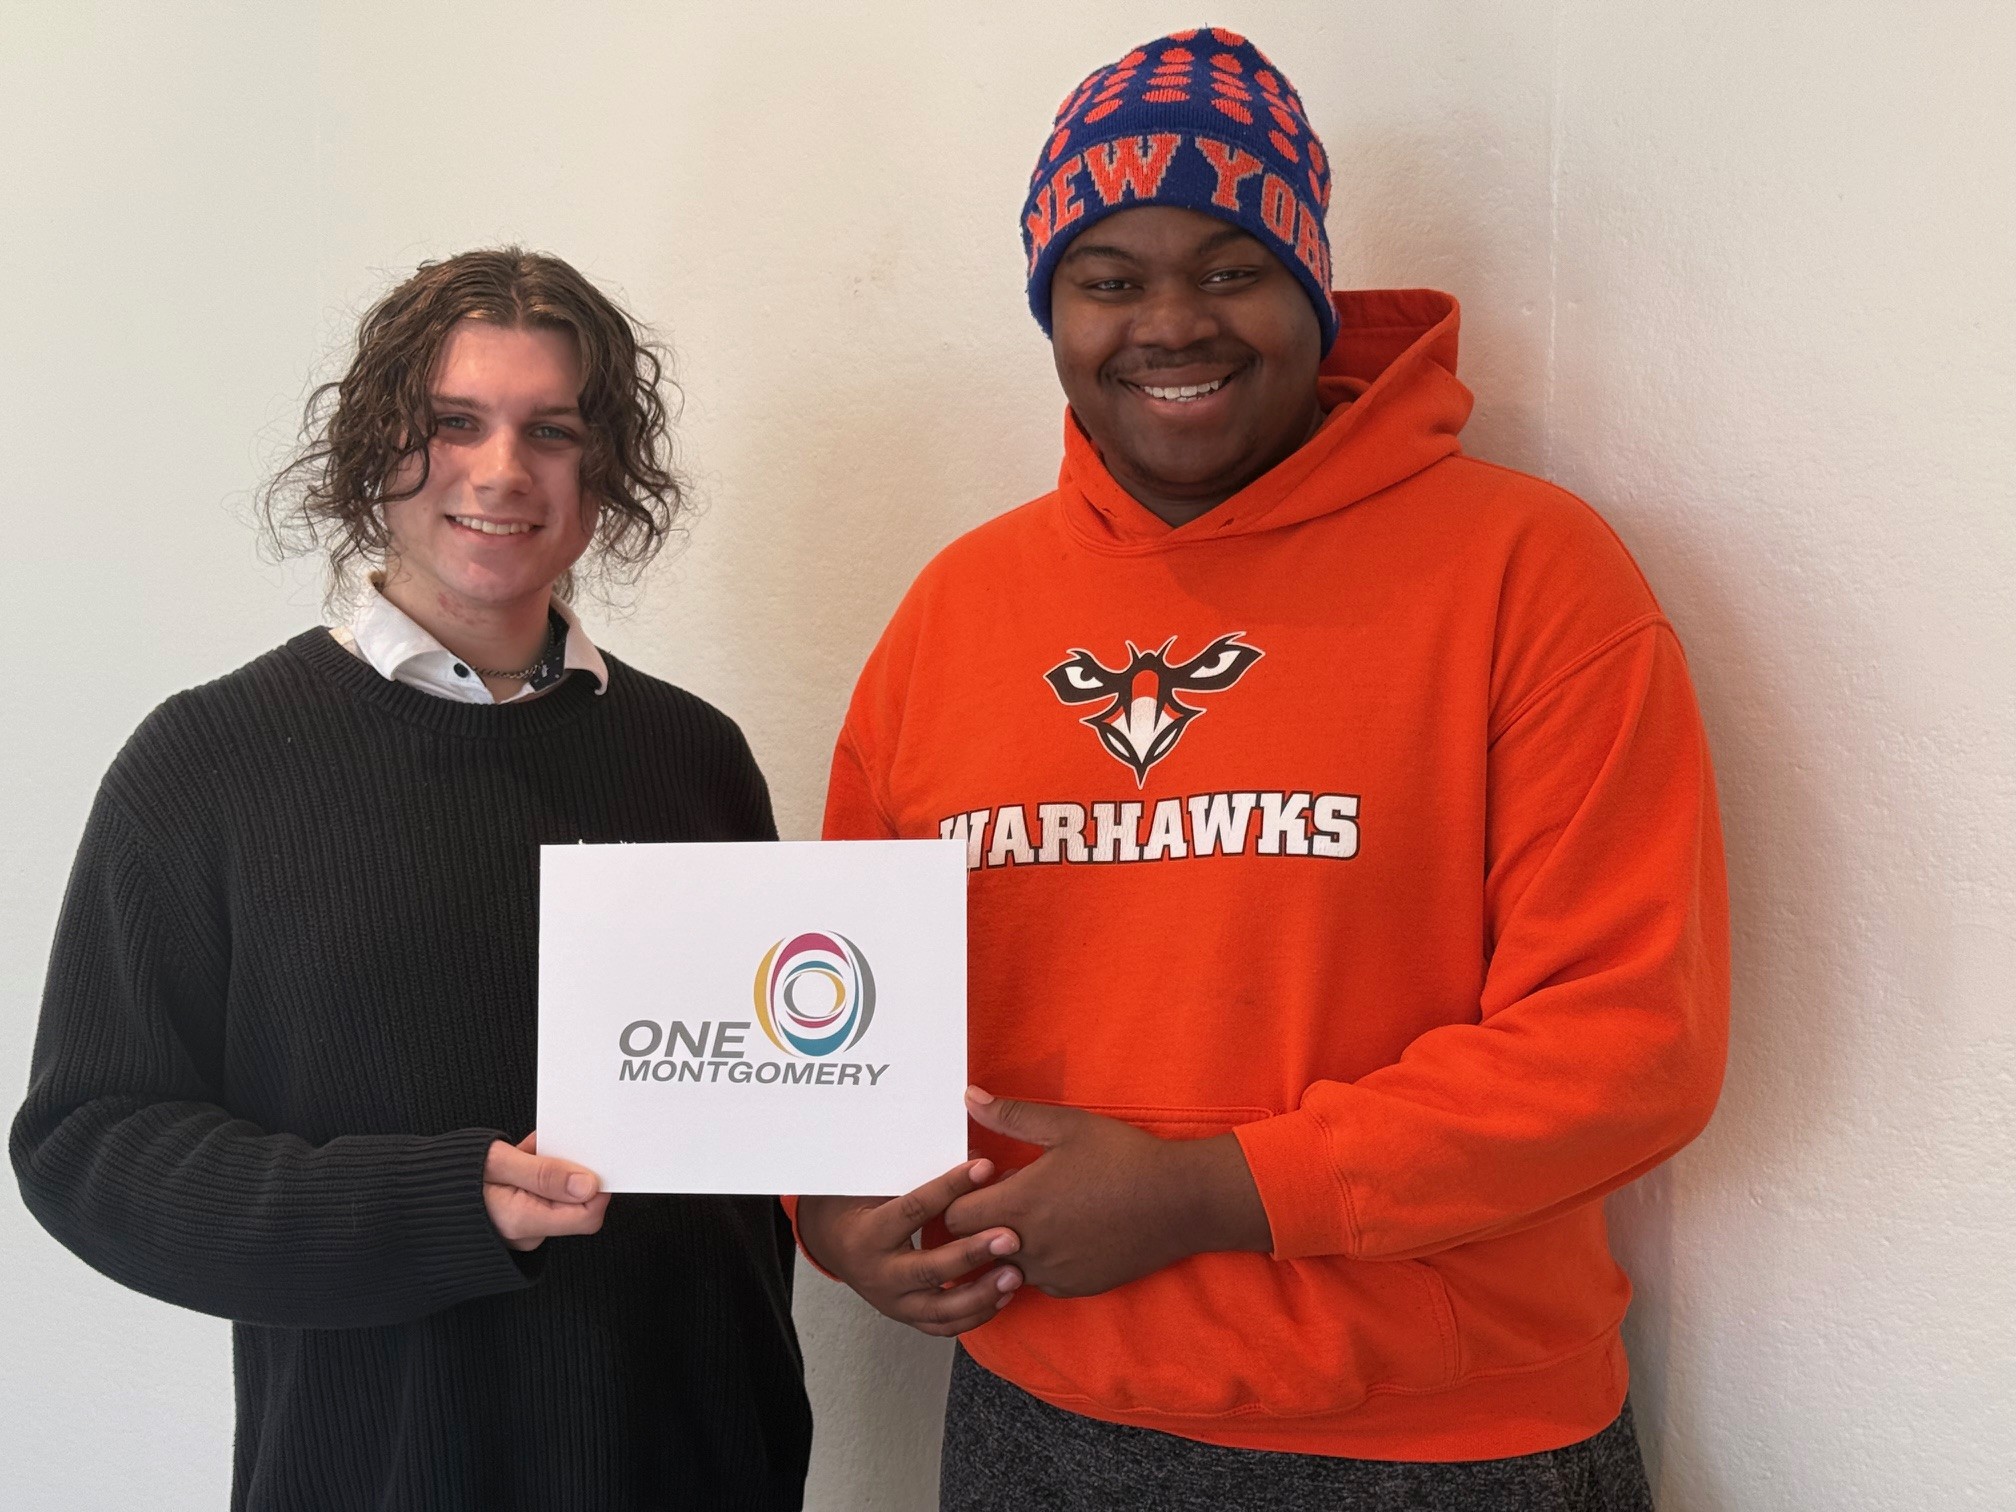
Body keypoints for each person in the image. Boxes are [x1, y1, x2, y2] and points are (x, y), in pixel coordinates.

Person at [794, 28, 1727, 1511]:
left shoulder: (1533, 575)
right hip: (1040, 1418)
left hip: (1447, 1443)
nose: (1172, 322)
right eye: (1109, 277)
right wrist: (829, 1208)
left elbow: (1626, 1047)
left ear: (1310, 283)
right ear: (1052, 309)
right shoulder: (955, 614)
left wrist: (1208, 1195)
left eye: (1230, 266)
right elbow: (839, 1005)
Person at [12, 249, 811, 1511]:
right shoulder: (208, 761)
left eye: (552, 430)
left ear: (606, 474)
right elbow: (90, 1147)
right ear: (371, 447)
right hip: (373, 1471)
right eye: (452, 423)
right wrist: (437, 1206)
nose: (501, 470)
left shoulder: (694, 757)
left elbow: (756, 1119)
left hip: (690, 1463)